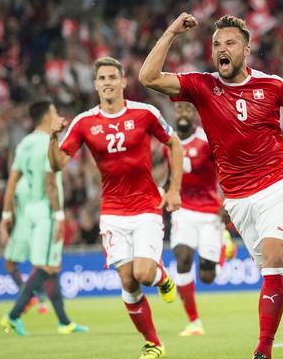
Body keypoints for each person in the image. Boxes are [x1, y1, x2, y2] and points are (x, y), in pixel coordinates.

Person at [139, 13, 283, 359]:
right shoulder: (202, 86)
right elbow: (148, 77)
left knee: (275, 259)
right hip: (238, 198)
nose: (222, 49)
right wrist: (172, 30)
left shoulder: (272, 85)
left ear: (246, 50)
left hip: (278, 183)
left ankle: (263, 350)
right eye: (216, 43)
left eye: (230, 43)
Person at [48, 57, 183, 359]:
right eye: (102, 78)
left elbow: (174, 143)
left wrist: (173, 188)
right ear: (95, 85)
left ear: (123, 82)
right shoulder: (84, 122)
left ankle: (162, 277)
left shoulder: (145, 113)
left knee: (145, 274)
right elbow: (57, 163)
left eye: (112, 77)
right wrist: (53, 136)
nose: (107, 82)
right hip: (112, 212)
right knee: (127, 280)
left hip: (147, 206)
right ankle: (153, 343)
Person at [0, 100, 88, 336]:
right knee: (48, 265)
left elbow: (12, 182)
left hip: (27, 212)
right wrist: (59, 216)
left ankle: (64, 322)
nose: (57, 114)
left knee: (52, 267)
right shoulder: (48, 144)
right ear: (47, 117)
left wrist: (6, 215)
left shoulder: (24, 144)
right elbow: (51, 182)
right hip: (46, 212)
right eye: (54, 111)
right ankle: (13, 316)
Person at [164, 101, 236, 337]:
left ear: (194, 115)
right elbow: (171, 176)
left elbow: (226, 168)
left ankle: (224, 243)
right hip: (183, 210)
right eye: (179, 109)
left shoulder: (207, 141)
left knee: (207, 277)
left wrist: (228, 200)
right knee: (182, 258)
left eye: (188, 109)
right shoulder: (169, 144)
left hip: (209, 212)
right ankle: (194, 322)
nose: (183, 113)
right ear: (174, 114)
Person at [0, 177, 49, 315]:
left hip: (23, 229)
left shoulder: (17, 182)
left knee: (10, 264)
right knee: (38, 266)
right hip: (39, 227)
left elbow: (11, 206)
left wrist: (4, 226)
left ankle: (27, 296)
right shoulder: (42, 178)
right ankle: (42, 302)